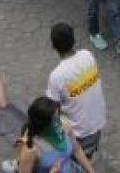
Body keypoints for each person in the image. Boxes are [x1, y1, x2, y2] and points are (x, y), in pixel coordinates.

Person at [46, 22, 106, 159]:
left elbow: (51, 111)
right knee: (87, 157)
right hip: (97, 124)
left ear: (54, 46)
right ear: (73, 40)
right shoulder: (87, 55)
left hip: (79, 133)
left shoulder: (57, 76)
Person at [16, 96, 96, 173]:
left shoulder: (65, 125)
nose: (60, 122)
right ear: (43, 124)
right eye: (54, 119)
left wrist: (91, 171)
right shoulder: (31, 148)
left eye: (58, 115)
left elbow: (77, 150)